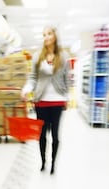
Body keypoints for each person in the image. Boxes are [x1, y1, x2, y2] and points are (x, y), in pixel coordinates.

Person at [22, 26, 70, 175]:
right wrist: (26, 89)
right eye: (44, 35)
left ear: (55, 36)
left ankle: (53, 164)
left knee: (55, 135)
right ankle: (43, 162)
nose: (46, 37)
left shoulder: (63, 56)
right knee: (42, 135)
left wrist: (67, 98)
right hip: (41, 101)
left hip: (57, 101)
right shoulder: (38, 56)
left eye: (49, 34)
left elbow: (66, 79)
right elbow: (33, 77)